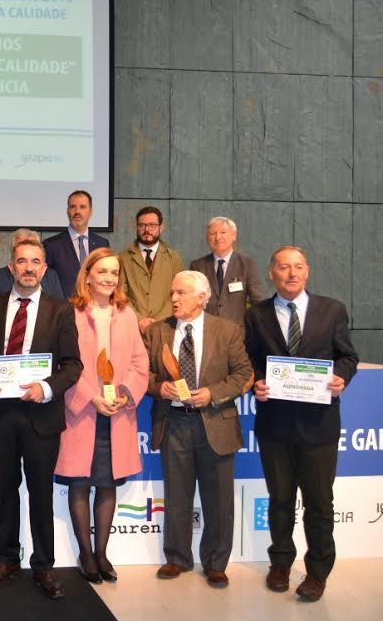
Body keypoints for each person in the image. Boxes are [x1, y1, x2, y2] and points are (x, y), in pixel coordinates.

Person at [245, 246, 358, 602]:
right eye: (283, 267)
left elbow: (348, 356)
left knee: (319, 503)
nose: (291, 273)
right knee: (279, 500)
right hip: (275, 425)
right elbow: (249, 359)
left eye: (297, 267)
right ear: (272, 273)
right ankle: (280, 563)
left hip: (319, 425)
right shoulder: (256, 315)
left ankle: (317, 572)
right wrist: (255, 381)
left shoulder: (332, 309)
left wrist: (340, 377)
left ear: (307, 271)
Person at [0, 239, 82, 600]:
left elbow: (73, 365)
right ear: (11, 267)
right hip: (1, 415)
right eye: (22, 261)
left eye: (36, 262)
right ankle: (7, 559)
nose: (28, 268)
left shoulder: (60, 310)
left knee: (40, 493)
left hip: (42, 415)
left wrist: (47, 388)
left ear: (44, 268)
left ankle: (44, 565)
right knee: (6, 490)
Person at [143, 271, 252, 588]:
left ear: (202, 297)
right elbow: (142, 373)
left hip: (215, 422)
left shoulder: (227, 330)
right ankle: (177, 558)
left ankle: (216, 562)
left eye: (181, 293)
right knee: (176, 495)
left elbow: (243, 373)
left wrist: (212, 393)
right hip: (173, 422)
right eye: (172, 293)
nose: (174, 298)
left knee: (219, 499)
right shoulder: (158, 331)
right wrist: (159, 388)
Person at [54, 248, 148, 584]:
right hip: (82, 412)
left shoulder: (127, 314)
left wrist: (125, 393)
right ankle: (85, 554)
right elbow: (63, 363)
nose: (109, 278)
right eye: (102, 271)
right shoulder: (70, 313)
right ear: (88, 275)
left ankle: (102, 553)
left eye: (114, 273)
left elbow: (139, 362)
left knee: (107, 485)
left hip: (116, 414)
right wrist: (89, 397)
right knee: (80, 484)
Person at [189, 217, 266, 325]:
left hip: (237, 330)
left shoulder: (247, 265)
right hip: (206, 328)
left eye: (223, 232)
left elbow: (258, 301)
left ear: (234, 236)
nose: (218, 237)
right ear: (207, 238)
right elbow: (191, 300)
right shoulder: (197, 266)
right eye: (212, 234)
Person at [119, 206, 184, 333]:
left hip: (166, 326)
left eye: (152, 225)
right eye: (142, 225)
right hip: (132, 325)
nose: (147, 230)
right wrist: (139, 319)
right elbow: (120, 294)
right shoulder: (122, 258)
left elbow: (179, 293)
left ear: (161, 227)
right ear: (136, 227)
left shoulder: (173, 258)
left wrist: (163, 321)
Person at [43, 190, 110, 297]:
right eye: (72, 207)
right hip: (64, 305)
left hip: (96, 304)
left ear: (91, 211)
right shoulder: (51, 245)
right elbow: (47, 282)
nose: (77, 211)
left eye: (82, 207)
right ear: (67, 211)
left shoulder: (102, 244)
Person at [0, 228, 65, 299]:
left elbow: (58, 306)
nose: (26, 249)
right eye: (20, 245)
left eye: (31, 245)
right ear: (12, 251)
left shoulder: (51, 276)